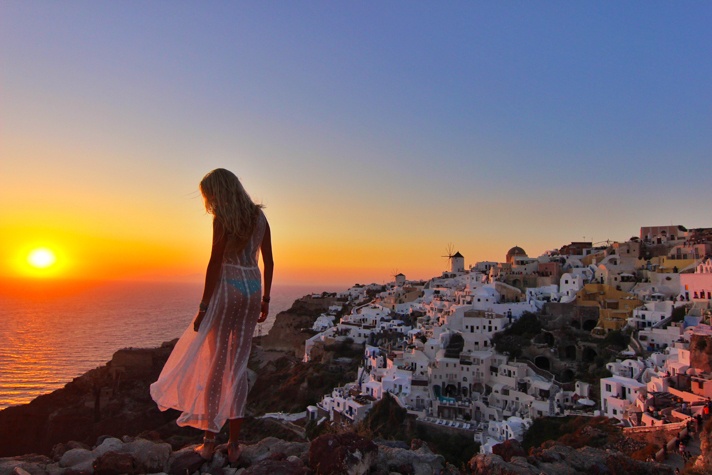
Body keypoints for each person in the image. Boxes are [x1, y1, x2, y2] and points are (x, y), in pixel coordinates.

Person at [150, 168, 274, 463]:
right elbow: (268, 260)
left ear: (218, 192)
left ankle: (208, 442)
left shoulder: (223, 219)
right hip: (253, 289)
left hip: (228, 288)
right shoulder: (260, 217)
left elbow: (214, 262)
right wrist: (266, 298)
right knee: (238, 365)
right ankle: (234, 445)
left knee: (217, 363)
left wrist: (204, 306)